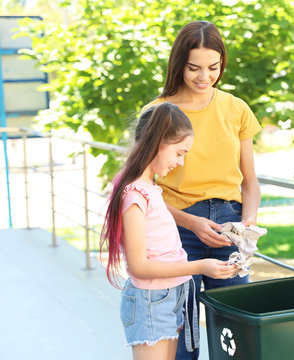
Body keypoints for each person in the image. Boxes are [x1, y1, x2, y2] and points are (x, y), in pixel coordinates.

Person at [142, 20, 262, 359]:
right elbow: (143, 188)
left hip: (229, 229)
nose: (203, 77)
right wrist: (191, 222)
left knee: (238, 332)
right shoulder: (156, 112)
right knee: (182, 336)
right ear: (178, 63)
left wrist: (247, 225)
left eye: (213, 67)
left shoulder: (235, 108)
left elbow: (250, 181)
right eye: (194, 67)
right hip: (175, 229)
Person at [100, 102, 237, 360]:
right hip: (152, 300)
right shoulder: (134, 195)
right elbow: (140, 267)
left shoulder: (148, 187)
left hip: (168, 295)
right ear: (157, 142)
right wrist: (201, 266)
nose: (181, 162)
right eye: (179, 153)